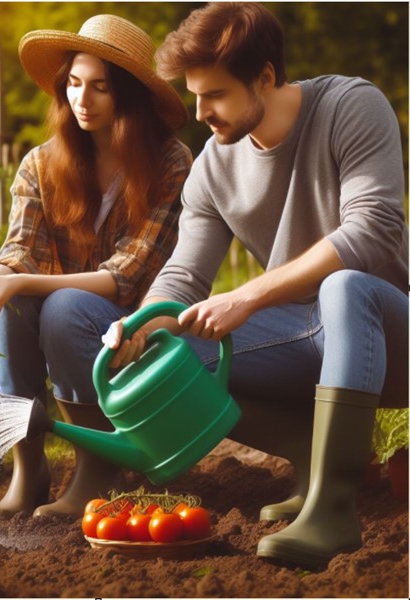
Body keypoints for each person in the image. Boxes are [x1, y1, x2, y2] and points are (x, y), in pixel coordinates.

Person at [99, 2, 408, 568]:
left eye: (214, 95)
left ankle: (334, 510)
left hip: (389, 336)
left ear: (265, 77)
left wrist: (249, 295)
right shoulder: (214, 167)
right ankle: (315, 464)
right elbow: (185, 275)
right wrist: (142, 328)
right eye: (195, 95)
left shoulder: (350, 106)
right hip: (303, 338)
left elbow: (374, 231)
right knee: (175, 344)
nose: (201, 112)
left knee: (344, 288)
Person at [0, 14, 192, 519]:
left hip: (136, 335)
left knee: (62, 305)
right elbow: (19, 250)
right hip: (73, 323)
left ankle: (96, 471)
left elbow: (128, 275)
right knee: (15, 306)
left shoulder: (171, 163)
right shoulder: (41, 164)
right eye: (75, 84)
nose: (83, 99)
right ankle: (28, 470)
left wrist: (17, 284)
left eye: (100, 87)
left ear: (129, 96)